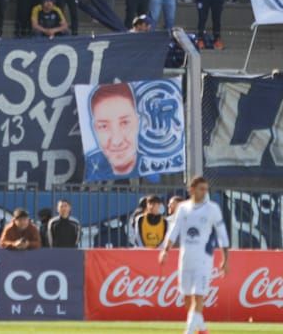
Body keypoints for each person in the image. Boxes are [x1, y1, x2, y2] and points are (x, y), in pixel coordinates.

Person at [157, 177, 229, 334]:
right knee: (187, 298)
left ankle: (189, 331)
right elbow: (174, 230)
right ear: (191, 189)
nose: (204, 192)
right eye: (201, 188)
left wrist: (225, 259)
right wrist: (165, 250)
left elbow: (222, 233)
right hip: (185, 258)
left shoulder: (212, 209)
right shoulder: (183, 208)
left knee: (199, 295)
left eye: (206, 189)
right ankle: (202, 328)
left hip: (203, 258)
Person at [84, 83, 140, 179]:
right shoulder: (92, 162)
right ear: (94, 129)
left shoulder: (156, 162)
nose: (116, 141)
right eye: (104, 126)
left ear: (138, 122)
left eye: (125, 123)